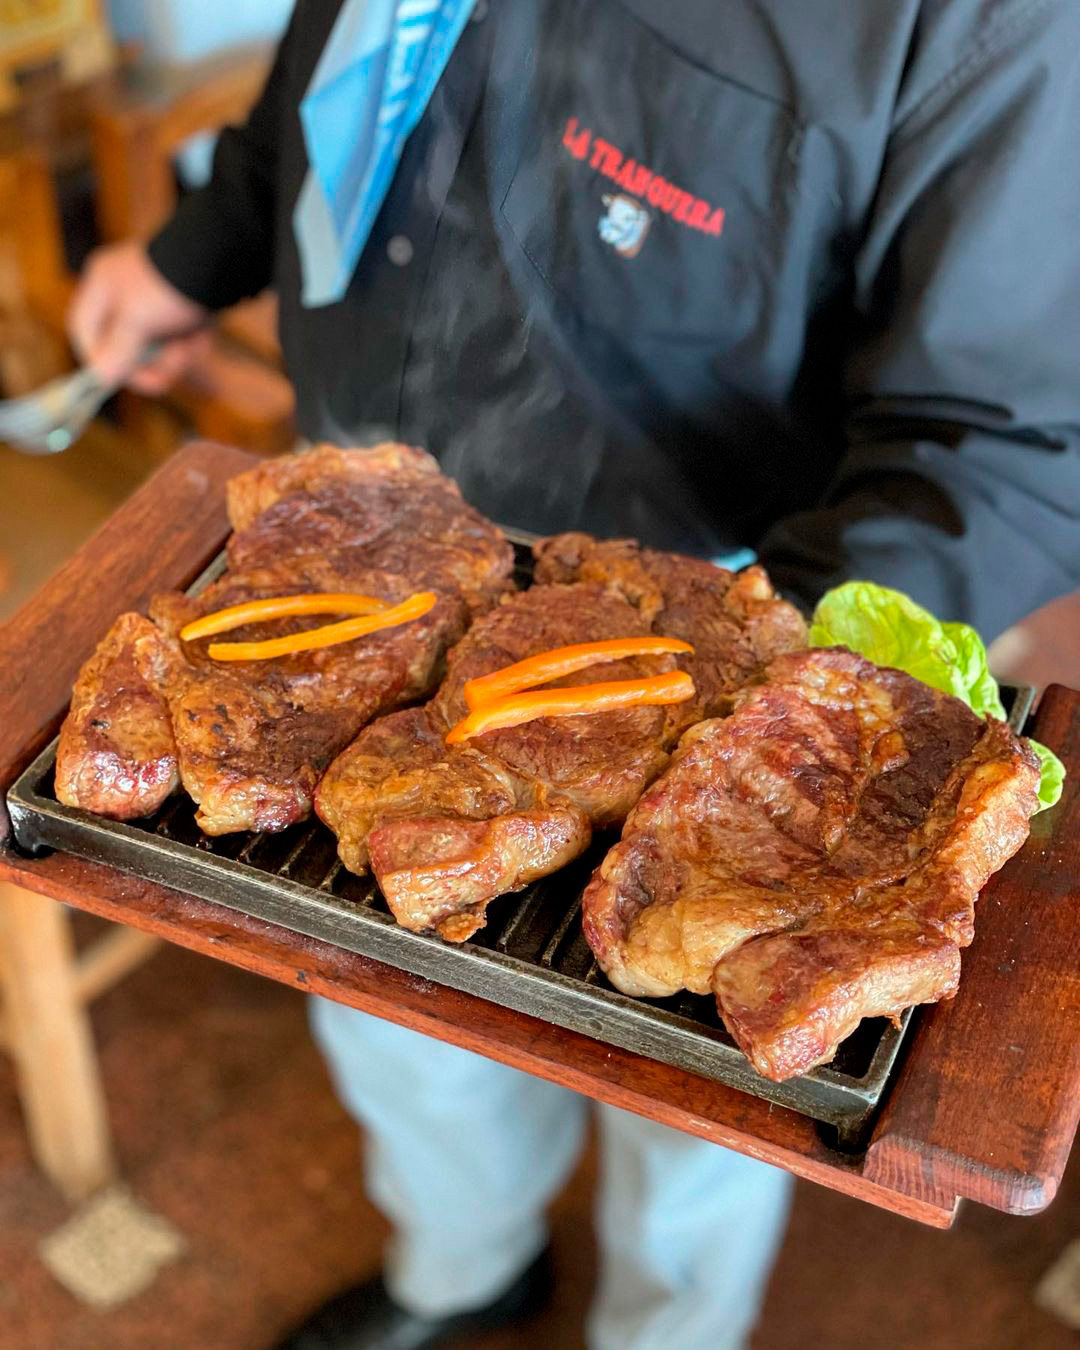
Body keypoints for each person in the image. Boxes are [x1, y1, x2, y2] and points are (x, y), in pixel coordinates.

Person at [68, 3, 1080, 1347]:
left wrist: (774, 717)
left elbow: (999, 435)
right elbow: (362, 56)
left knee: (698, 1129)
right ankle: (464, 1267)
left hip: (719, 648)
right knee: (395, 1026)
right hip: (364, 580)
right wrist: (200, 250)